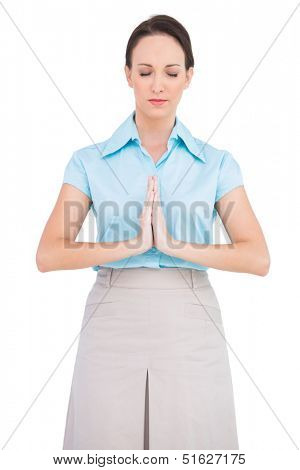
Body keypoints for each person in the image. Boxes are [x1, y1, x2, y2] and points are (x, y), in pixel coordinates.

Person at [36, 14, 270, 450]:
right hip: (111, 318)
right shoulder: (89, 161)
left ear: (189, 77)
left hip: (191, 320)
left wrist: (176, 245)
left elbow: (256, 257)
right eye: (144, 73)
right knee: (105, 443)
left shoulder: (217, 164)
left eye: (171, 72)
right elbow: (48, 254)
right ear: (128, 75)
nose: (157, 85)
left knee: (193, 444)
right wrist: (130, 245)